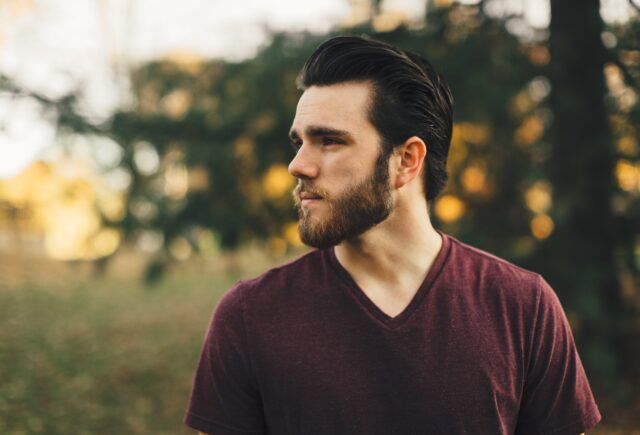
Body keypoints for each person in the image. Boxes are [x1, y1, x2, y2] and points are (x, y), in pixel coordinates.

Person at [184, 35, 601, 434]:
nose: (298, 165)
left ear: (406, 160)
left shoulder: (523, 307)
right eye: (300, 142)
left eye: (329, 141)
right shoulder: (250, 315)